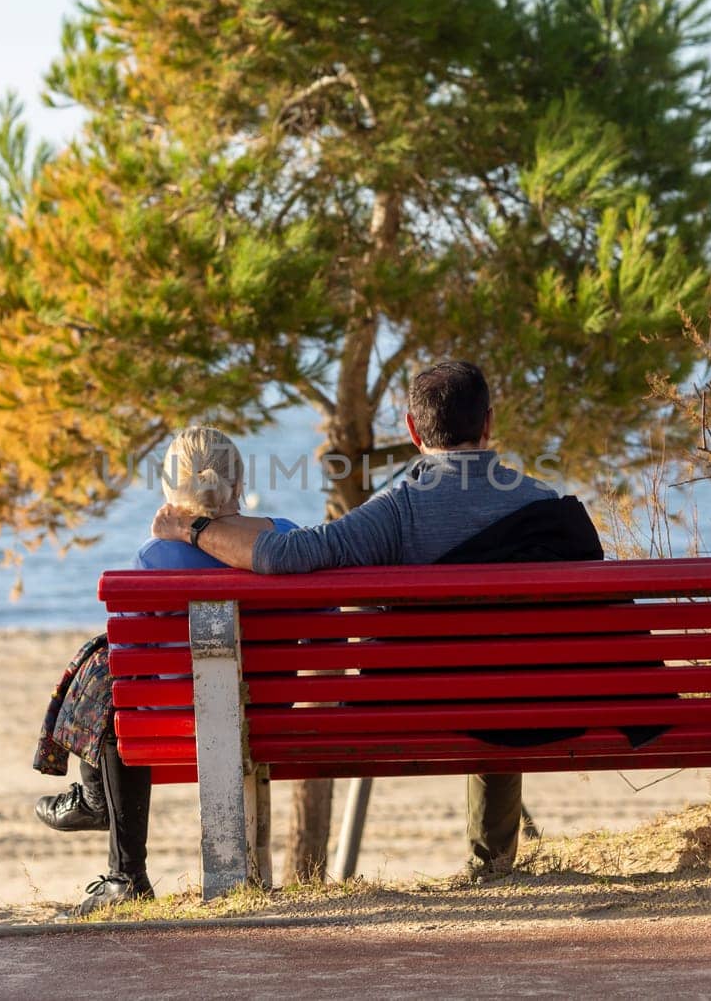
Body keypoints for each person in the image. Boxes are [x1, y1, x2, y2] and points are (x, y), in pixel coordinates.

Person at [150, 361, 607, 879]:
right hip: (534, 702)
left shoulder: (397, 509)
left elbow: (284, 554)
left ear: (412, 430)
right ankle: (493, 861)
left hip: (412, 706)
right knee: (504, 671)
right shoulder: (544, 504)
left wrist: (193, 528)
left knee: (475, 676)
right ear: (488, 423)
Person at [34, 426, 299, 914]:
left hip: (179, 726)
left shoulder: (155, 557)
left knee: (111, 698)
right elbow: (319, 626)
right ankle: (97, 812)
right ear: (238, 483)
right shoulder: (284, 535)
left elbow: (130, 651)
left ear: (169, 491)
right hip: (275, 716)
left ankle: (124, 871)